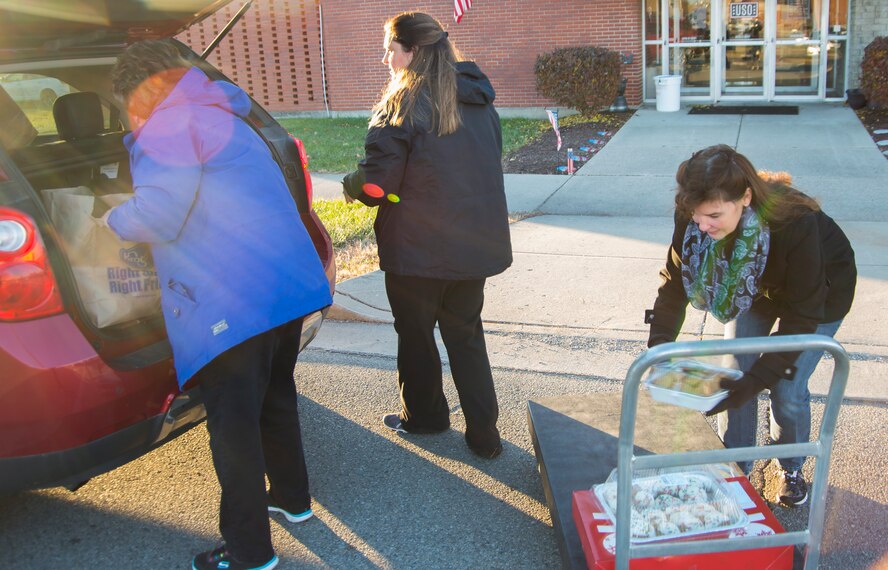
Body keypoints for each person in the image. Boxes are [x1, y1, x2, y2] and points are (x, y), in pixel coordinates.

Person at [106, 39, 332, 570]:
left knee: (233, 427)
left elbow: (158, 216)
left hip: (234, 300)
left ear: (148, 86)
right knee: (275, 394)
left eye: (128, 99)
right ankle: (293, 499)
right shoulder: (224, 110)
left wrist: (109, 219)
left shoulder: (168, 124)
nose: (129, 111)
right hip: (285, 286)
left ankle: (249, 553)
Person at [342, 12, 512, 458]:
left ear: (412, 51)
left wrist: (355, 184)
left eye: (390, 49)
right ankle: (485, 436)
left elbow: (379, 186)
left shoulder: (401, 104)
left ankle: (427, 418)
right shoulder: (479, 99)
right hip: (472, 248)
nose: (386, 59)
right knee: (466, 336)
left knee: (416, 337)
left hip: (417, 252)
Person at [647, 144, 856, 507]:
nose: (703, 225)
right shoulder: (694, 214)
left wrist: (762, 378)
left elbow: (803, 316)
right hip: (755, 291)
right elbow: (674, 281)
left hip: (819, 296)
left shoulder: (796, 222)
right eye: (696, 216)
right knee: (735, 374)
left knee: (786, 387)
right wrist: (660, 343)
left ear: (744, 197)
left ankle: (790, 465)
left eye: (713, 215)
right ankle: (733, 467)